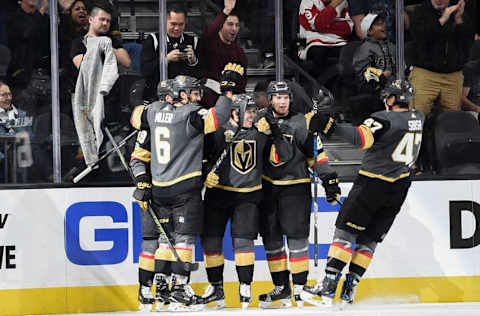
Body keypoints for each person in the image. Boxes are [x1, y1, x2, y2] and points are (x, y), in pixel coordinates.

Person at [130, 64, 244, 312]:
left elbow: (136, 116)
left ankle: (161, 287)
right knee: (184, 240)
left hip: (159, 187)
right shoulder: (191, 115)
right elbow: (218, 117)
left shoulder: (154, 111)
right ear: (182, 95)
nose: (198, 97)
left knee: (163, 240)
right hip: (184, 187)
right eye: (193, 93)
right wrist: (227, 91)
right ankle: (180, 288)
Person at [301, 79, 425, 307]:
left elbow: (362, 139)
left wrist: (331, 127)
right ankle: (350, 288)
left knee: (345, 232)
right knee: (369, 240)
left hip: (372, 183)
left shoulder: (383, 118)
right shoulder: (419, 117)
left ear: (391, 99)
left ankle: (328, 285)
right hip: (399, 187)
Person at [200, 94, 293, 309]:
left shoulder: (261, 132)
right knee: (211, 242)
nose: (252, 115)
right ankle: (216, 289)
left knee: (243, 243)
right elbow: (200, 157)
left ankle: (245, 287)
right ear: (235, 112)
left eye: (253, 111)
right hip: (218, 195)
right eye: (248, 111)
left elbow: (285, 155)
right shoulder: (217, 132)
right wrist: (205, 173)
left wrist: (274, 130)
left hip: (248, 197)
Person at [257, 81, 341, 308]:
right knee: (271, 241)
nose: (283, 101)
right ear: (270, 99)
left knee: (296, 239)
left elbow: (316, 154)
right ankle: (281, 288)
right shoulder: (259, 120)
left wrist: (329, 180)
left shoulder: (302, 121)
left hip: (295, 187)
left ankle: (301, 288)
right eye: (278, 97)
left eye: (286, 97)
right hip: (267, 188)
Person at [71, 1, 131, 167]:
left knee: (112, 146)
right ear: (90, 19)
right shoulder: (79, 42)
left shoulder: (111, 41)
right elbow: (82, 66)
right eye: (102, 19)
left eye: (108, 21)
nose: (105, 23)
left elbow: (126, 61)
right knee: (91, 142)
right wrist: (97, 46)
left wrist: (106, 45)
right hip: (89, 101)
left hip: (111, 101)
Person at [409, 0, 475, 114]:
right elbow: (420, 37)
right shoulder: (420, 11)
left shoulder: (459, 11)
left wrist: (459, 19)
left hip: (453, 75)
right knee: (417, 116)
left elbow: (468, 41)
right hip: (425, 73)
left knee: (452, 119)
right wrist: (443, 19)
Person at [141, 4, 202, 101]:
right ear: (164, 22)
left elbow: (201, 75)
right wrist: (166, 60)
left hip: (185, 100)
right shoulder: (154, 40)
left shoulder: (193, 41)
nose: (177, 28)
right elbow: (145, 71)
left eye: (181, 24)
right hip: (157, 98)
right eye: (173, 24)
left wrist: (193, 61)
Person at [198, 0, 248, 108]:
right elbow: (210, 32)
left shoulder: (240, 53)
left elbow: (242, 84)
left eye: (236, 25)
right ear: (220, 25)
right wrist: (226, 11)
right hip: (210, 102)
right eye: (230, 24)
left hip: (232, 102)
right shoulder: (210, 44)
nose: (234, 28)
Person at [298, 0, 353, 84]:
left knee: (349, 54)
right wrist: (333, 5)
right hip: (314, 42)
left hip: (339, 41)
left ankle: (343, 90)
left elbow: (348, 28)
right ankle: (319, 91)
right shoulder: (308, 1)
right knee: (319, 53)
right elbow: (317, 24)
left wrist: (324, 25)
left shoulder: (342, 2)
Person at [352, 13, 395, 111]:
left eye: (383, 23)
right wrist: (380, 76)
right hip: (375, 89)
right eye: (379, 24)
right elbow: (360, 75)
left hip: (394, 87)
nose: (383, 26)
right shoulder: (365, 48)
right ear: (370, 31)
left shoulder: (392, 47)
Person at [7, 0, 50, 89]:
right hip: (23, 75)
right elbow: (26, 34)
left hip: (44, 72)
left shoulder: (44, 18)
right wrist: (41, 11)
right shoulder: (14, 17)